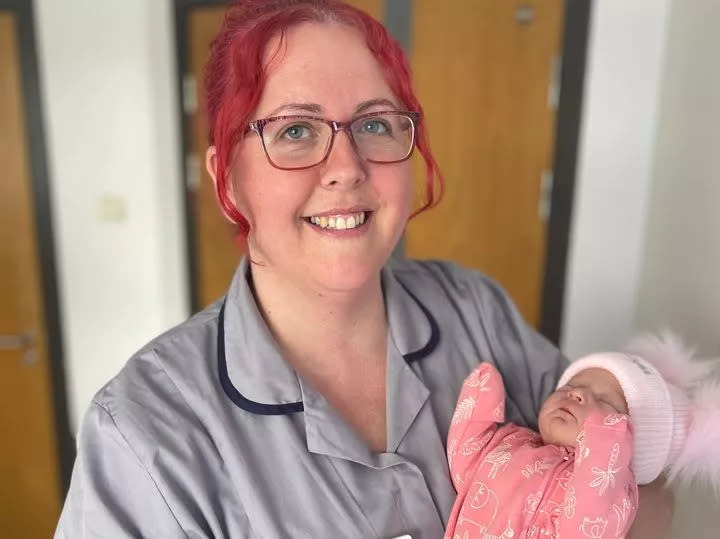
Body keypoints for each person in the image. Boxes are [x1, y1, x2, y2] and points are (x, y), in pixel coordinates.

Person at [55, 1, 674, 537]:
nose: (346, 166)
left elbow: (649, 489)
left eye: (374, 123)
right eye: (295, 130)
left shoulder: (474, 309)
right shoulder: (144, 431)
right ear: (228, 182)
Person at [445, 333, 720, 539]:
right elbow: (468, 464)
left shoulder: (609, 496)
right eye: (573, 386)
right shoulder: (516, 442)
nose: (576, 395)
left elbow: (587, 524)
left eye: (605, 403)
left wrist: (603, 446)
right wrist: (478, 403)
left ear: (628, 443)